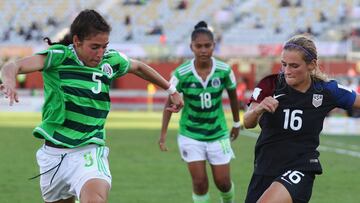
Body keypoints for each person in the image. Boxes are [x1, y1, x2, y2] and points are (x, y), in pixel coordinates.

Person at [0, 9, 183, 203]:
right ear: (77, 41)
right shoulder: (59, 57)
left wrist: (172, 90)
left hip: (88, 150)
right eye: (94, 47)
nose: (100, 53)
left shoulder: (110, 60)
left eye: (104, 46)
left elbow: (138, 67)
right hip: (53, 156)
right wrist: (10, 81)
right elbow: (12, 66)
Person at [243, 34, 360, 203]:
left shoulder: (326, 90)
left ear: (311, 64)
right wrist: (259, 109)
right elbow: (247, 122)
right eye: (284, 65)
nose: (287, 71)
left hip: (301, 167)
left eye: (294, 65)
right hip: (265, 166)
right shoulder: (270, 84)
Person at [159, 21, 240, 203]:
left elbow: (234, 98)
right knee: (200, 183)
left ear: (213, 46)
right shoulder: (181, 73)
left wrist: (236, 123)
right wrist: (163, 134)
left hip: (218, 133)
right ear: (191, 47)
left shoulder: (224, 70)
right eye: (199, 46)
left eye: (207, 46)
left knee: (223, 182)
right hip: (191, 134)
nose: (203, 50)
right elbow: (168, 102)